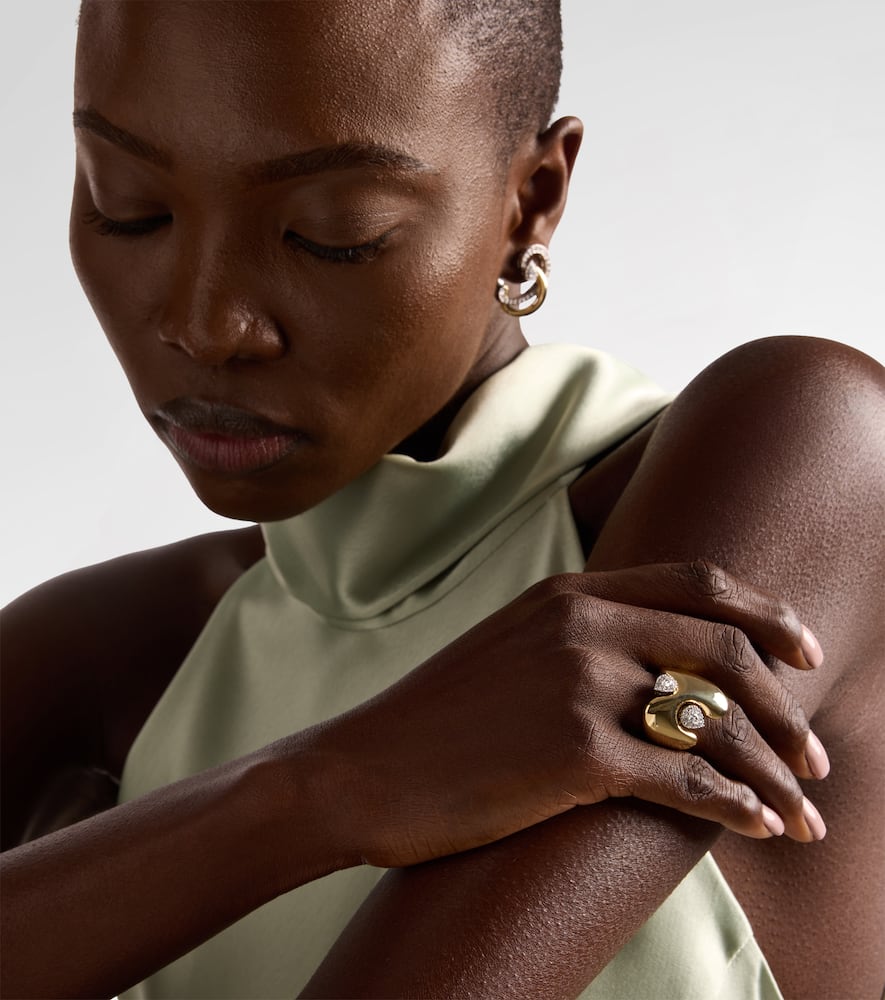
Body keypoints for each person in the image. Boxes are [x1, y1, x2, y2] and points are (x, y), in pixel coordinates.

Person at [1, 2, 882, 998]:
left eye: (331, 233)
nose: (206, 325)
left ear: (532, 200)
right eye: (127, 207)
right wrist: (320, 791)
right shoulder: (100, 659)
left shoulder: (799, 453)